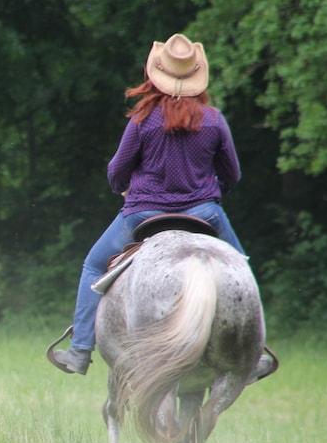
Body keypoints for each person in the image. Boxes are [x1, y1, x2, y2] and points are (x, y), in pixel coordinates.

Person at [49, 33, 273, 377]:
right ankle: (255, 353)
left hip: (143, 212)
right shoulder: (213, 120)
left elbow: (117, 171)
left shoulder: (142, 121)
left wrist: (122, 188)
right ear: (197, 75)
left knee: (93, 267)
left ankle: (80, 351)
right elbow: (233, 173)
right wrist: (210, 192)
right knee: (241, 271)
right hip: (204, 213)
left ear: (156, 74)